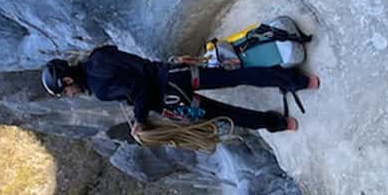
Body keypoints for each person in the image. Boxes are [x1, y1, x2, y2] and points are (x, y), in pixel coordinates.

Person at [41, 45, 319, 135]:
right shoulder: (99, 55)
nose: (70, 95)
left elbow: (139, 89)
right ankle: (296, 80)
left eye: (65, 92)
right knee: (237, 76)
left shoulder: (100, 89)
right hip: (176, 74)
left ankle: (277, 123)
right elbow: (138, 72)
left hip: (171, 100)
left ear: (67, 81)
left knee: (225, 116)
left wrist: (140, 119)